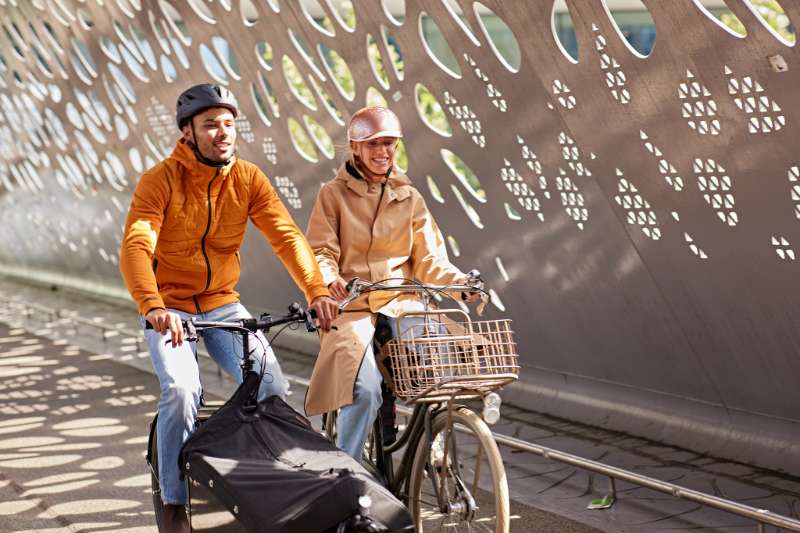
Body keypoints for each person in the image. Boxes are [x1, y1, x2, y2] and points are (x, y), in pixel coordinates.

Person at [119, 83, 338, 532]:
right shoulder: (159, 180)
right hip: (171, 308)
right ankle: (175, 503)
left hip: (222, 305)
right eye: (210, 125)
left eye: (228, 123)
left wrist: (316, 291)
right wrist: (153, 304)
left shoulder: (248, 179)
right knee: (181, 391)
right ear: (187, 133)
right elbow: (137, 244)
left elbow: (286, 236)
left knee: (272, 387)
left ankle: (271, 485)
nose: (222, 132)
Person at [304, 106, 478, 460]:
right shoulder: (332, 195)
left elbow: (429, 259)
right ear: (355, 147)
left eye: (389, 144)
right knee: (365, 389)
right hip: (350, 307)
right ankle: (346, 476)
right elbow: (320, 250)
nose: (383, 152)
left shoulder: (409, 197)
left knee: (440, 364)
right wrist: (329, 278)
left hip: (401, 301)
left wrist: (460, 283)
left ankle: (436, 443)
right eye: (373, 144)